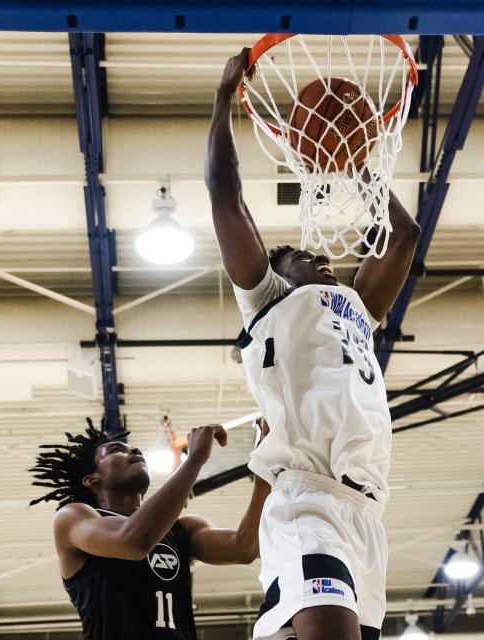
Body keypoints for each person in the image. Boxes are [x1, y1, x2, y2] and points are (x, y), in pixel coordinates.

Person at [205, 49, 420, 640]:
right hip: (309, 501)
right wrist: (224, 101)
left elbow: (405, 234)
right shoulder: (269, 300)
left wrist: (362, 164)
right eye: (300, 256)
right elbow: (226, 197)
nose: (318, 256)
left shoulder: (357, 309)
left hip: (367, 512)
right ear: (278, 273)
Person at [29, 419, 271, 640]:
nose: (133, 450)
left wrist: (266, 463)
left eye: (132, 447)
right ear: (91, 480)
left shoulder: (183, 529)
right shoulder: (73, 518)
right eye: (116, 450)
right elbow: (134, 541)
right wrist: (194, 458)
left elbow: (245, 548)